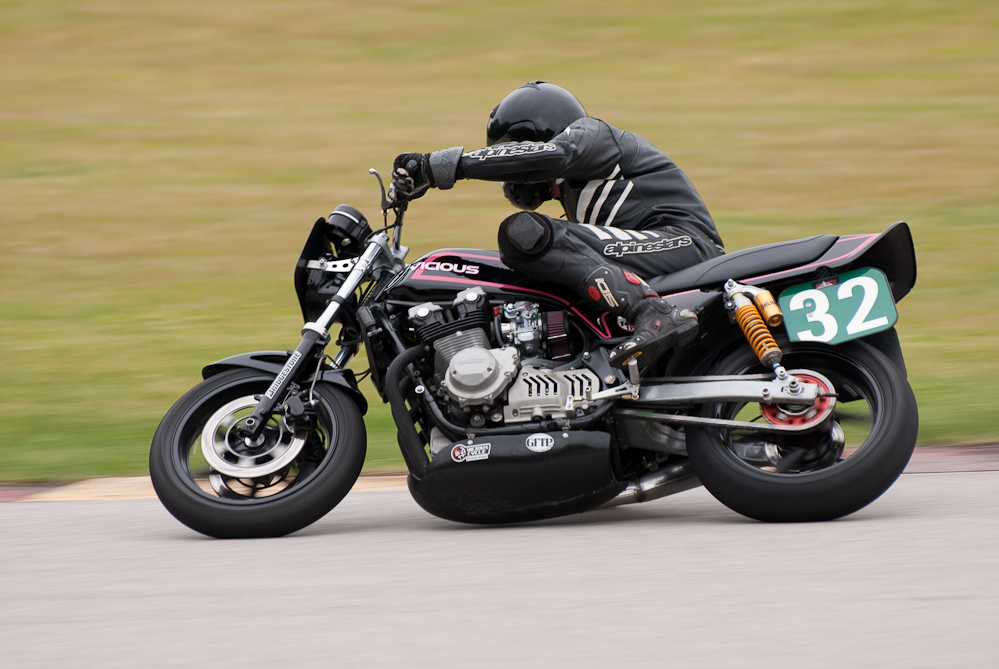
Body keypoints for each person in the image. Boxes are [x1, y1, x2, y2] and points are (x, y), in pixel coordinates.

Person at [389, 81, 724, 371]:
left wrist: (437, 167)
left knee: (525, 234)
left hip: (684, 243)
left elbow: (552, 156)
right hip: (663, 251)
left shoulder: (593, 135)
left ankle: (652, 313)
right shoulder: (577, 190)